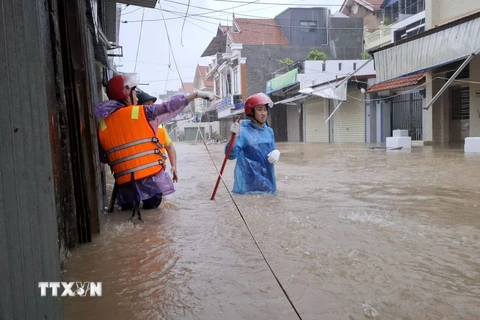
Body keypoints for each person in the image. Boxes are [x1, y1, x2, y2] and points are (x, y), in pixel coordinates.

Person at [96, 74, 215, 213]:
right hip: (150, 181)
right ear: (127, 96)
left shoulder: (102, 124)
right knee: (154, 219)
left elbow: (103, 158)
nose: (137, 98)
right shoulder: (143, 112)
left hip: (124, 186)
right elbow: (170, 106)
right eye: (135, 92)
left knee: (128, 216)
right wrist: (196, 95)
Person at [225, 92, 280, 195]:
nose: (263, 113)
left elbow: (271, 151)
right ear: (251, 112)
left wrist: (276, 152)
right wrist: (233, 138)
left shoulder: (269, 131)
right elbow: (230, 155)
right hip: (247, 189)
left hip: (268, 186)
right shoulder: (243, 131)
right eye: (259, 109)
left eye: (265, 109)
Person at [136, 90, 179, 183]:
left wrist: (174, 166)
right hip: (138, 177)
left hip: (158, 174)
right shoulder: (133, 126)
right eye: (147, 104)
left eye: (152, 104)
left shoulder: (160, 127)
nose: (151, 108)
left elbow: (170, 147)